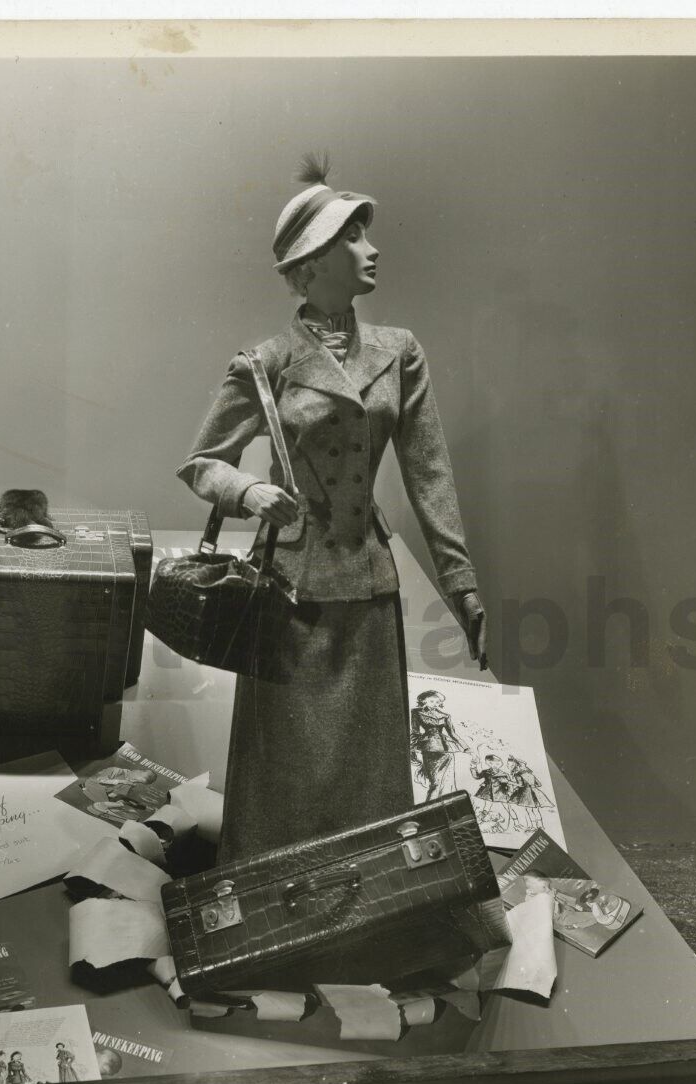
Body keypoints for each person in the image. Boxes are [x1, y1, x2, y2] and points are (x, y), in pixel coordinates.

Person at [177, 155, 485, 862]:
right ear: (312, 264)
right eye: (353, 238)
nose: (371, 250)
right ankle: (277, 903)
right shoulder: (266, 362)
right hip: (290, 590)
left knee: (369, 763)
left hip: (369, 581)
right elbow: (201, 462)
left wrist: (461, 583)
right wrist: (249, 492)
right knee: (285, 761)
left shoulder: (398, 352)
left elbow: (428, 473)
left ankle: (370, 918)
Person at [409, 689, 466, 801]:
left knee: (448, 781)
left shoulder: (445, 716)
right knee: (435, 782)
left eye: (438, 702)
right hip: (429, 748)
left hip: (446, 751)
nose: (435, 704)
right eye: (432, 701)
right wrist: (412, 748)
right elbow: (415, 732)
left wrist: (466, 747)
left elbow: (453, 734)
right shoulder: (416, 712)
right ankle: (430, 807)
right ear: (424, 701)